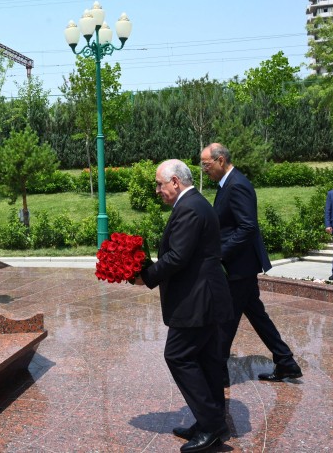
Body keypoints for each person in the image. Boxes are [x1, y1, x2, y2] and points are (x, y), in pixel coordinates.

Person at [137, 160, 233, 453]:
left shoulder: (190, 207)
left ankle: (212, 424)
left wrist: (146, 276)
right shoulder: (195, 203)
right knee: (206, 361)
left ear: (175, 181)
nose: (157, 190)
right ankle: (210, 422)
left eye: (159, 184)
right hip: (204, 297)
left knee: (178, 355)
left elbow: (178, 257)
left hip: (198, 300)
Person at [201, 143, 302, 385]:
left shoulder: (237, 185)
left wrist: (219, 254)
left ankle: (218, 373)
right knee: (256, 315)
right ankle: (286, 362)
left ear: (221, 160)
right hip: (240, 267)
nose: (204, 169)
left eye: (207, 164)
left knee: (225, 319)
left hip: (239, 268)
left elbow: (248, 227)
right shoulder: (227, 183)